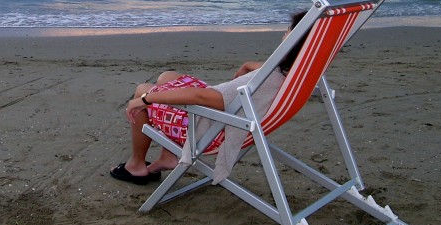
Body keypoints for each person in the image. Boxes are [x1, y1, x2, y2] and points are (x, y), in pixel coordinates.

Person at [110, 11, 308, 185]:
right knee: (167, 77)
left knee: (143, 89)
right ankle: (168, 155)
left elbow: (201, 96)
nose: (285, 32)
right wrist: (249, 64)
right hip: (232, 115)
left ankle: (136, 165)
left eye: (289, 29)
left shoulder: (265, 79)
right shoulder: (295, 71)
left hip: (210, 127)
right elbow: (270, 71)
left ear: (295, 39)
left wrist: (146, 99)